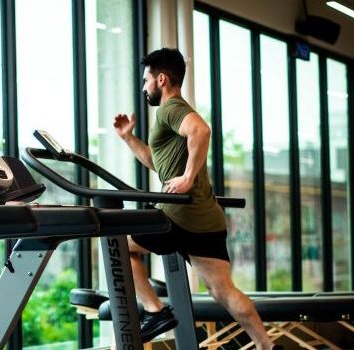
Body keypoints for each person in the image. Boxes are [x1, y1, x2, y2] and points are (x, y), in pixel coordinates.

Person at [113, 48, 275, 349]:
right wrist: (128, 137)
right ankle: (267, 346)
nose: (144, 86)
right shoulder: (172, 113)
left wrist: (187, 178)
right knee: (224, 291)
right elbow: (156, 161)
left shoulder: (170, 108)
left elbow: (201, 130)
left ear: (161, 79)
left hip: (178, 215)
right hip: (206, 218)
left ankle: (156, 312)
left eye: (146, 80)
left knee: (118, 245)